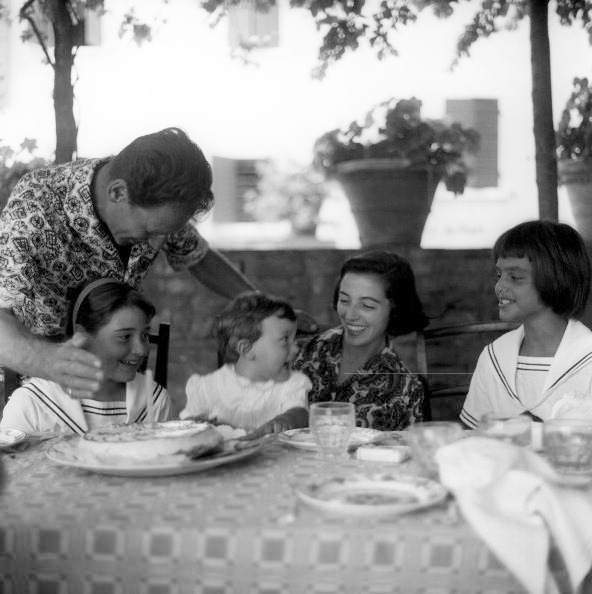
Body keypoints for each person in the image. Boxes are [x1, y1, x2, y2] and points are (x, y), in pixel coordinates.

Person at [0, 127, 256, 398]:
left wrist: (260, 304)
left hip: (122, 381)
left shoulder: (157, 205)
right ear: (118, 193)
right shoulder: (36, 204)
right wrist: (48, 361)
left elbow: (198, 256)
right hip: (45, 389)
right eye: (149, 231)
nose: (157, 244)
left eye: (166, 233)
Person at [460, 220, 592, 429]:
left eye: (515, 277)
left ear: (555, 279)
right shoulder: (494, 357)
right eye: (499, 275)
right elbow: (475, 438)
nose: (500, 286)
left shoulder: (587, 358)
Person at [0, 279, 171, 435]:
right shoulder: (33, 404)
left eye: (145, 335)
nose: (141, 350)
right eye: (125, 337)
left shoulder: (154, 400)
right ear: (83, 337)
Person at [293, 250, 428, 430]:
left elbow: (406, 453)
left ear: (394, 310)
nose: (350, 315)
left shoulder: (405, 389)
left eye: (367, 305)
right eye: (344, 300)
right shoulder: (310, 350)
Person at [179, 291, 310, 435]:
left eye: (294, 339)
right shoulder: (206, 388)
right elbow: (188, 427)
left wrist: (285, 420)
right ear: (247, 349)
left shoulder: (292, 384)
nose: (296, 348)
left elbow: (299, 413)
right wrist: (204, 425)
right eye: (285, 340)